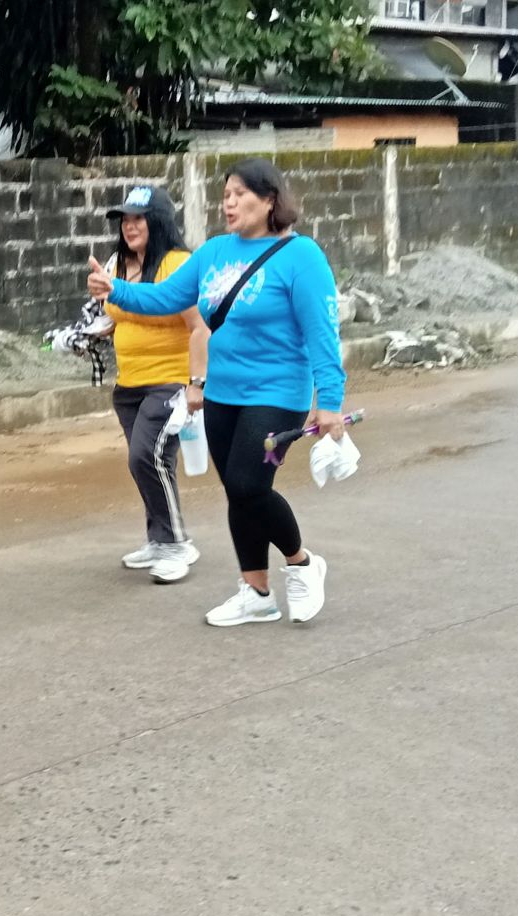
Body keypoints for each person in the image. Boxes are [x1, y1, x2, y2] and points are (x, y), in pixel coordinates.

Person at [89, 158, 345, 627]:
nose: (229, 203)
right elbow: (167, 298)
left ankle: (302, 562)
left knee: (250, 485)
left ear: (269, 200)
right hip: (223, 393)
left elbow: (322, 333)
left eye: (239, 194)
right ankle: (257, 593)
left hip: (277, 393)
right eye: (225, 195)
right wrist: (115, 289)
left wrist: (329, 400)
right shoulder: (213, 252)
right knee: (238, 493)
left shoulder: (301, 256)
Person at [100, 185, 209, 584]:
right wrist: (85, 334)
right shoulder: (117, 263)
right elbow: (116, 316)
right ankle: (159, 538)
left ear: (158, 222)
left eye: (138, 219)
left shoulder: (179, 264)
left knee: (145, 456)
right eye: (125, 220)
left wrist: (196, 385)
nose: (129, 226)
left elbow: (199, 327)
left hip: (169, 381)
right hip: (129, 383)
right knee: (151, 462)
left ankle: (176, 544)